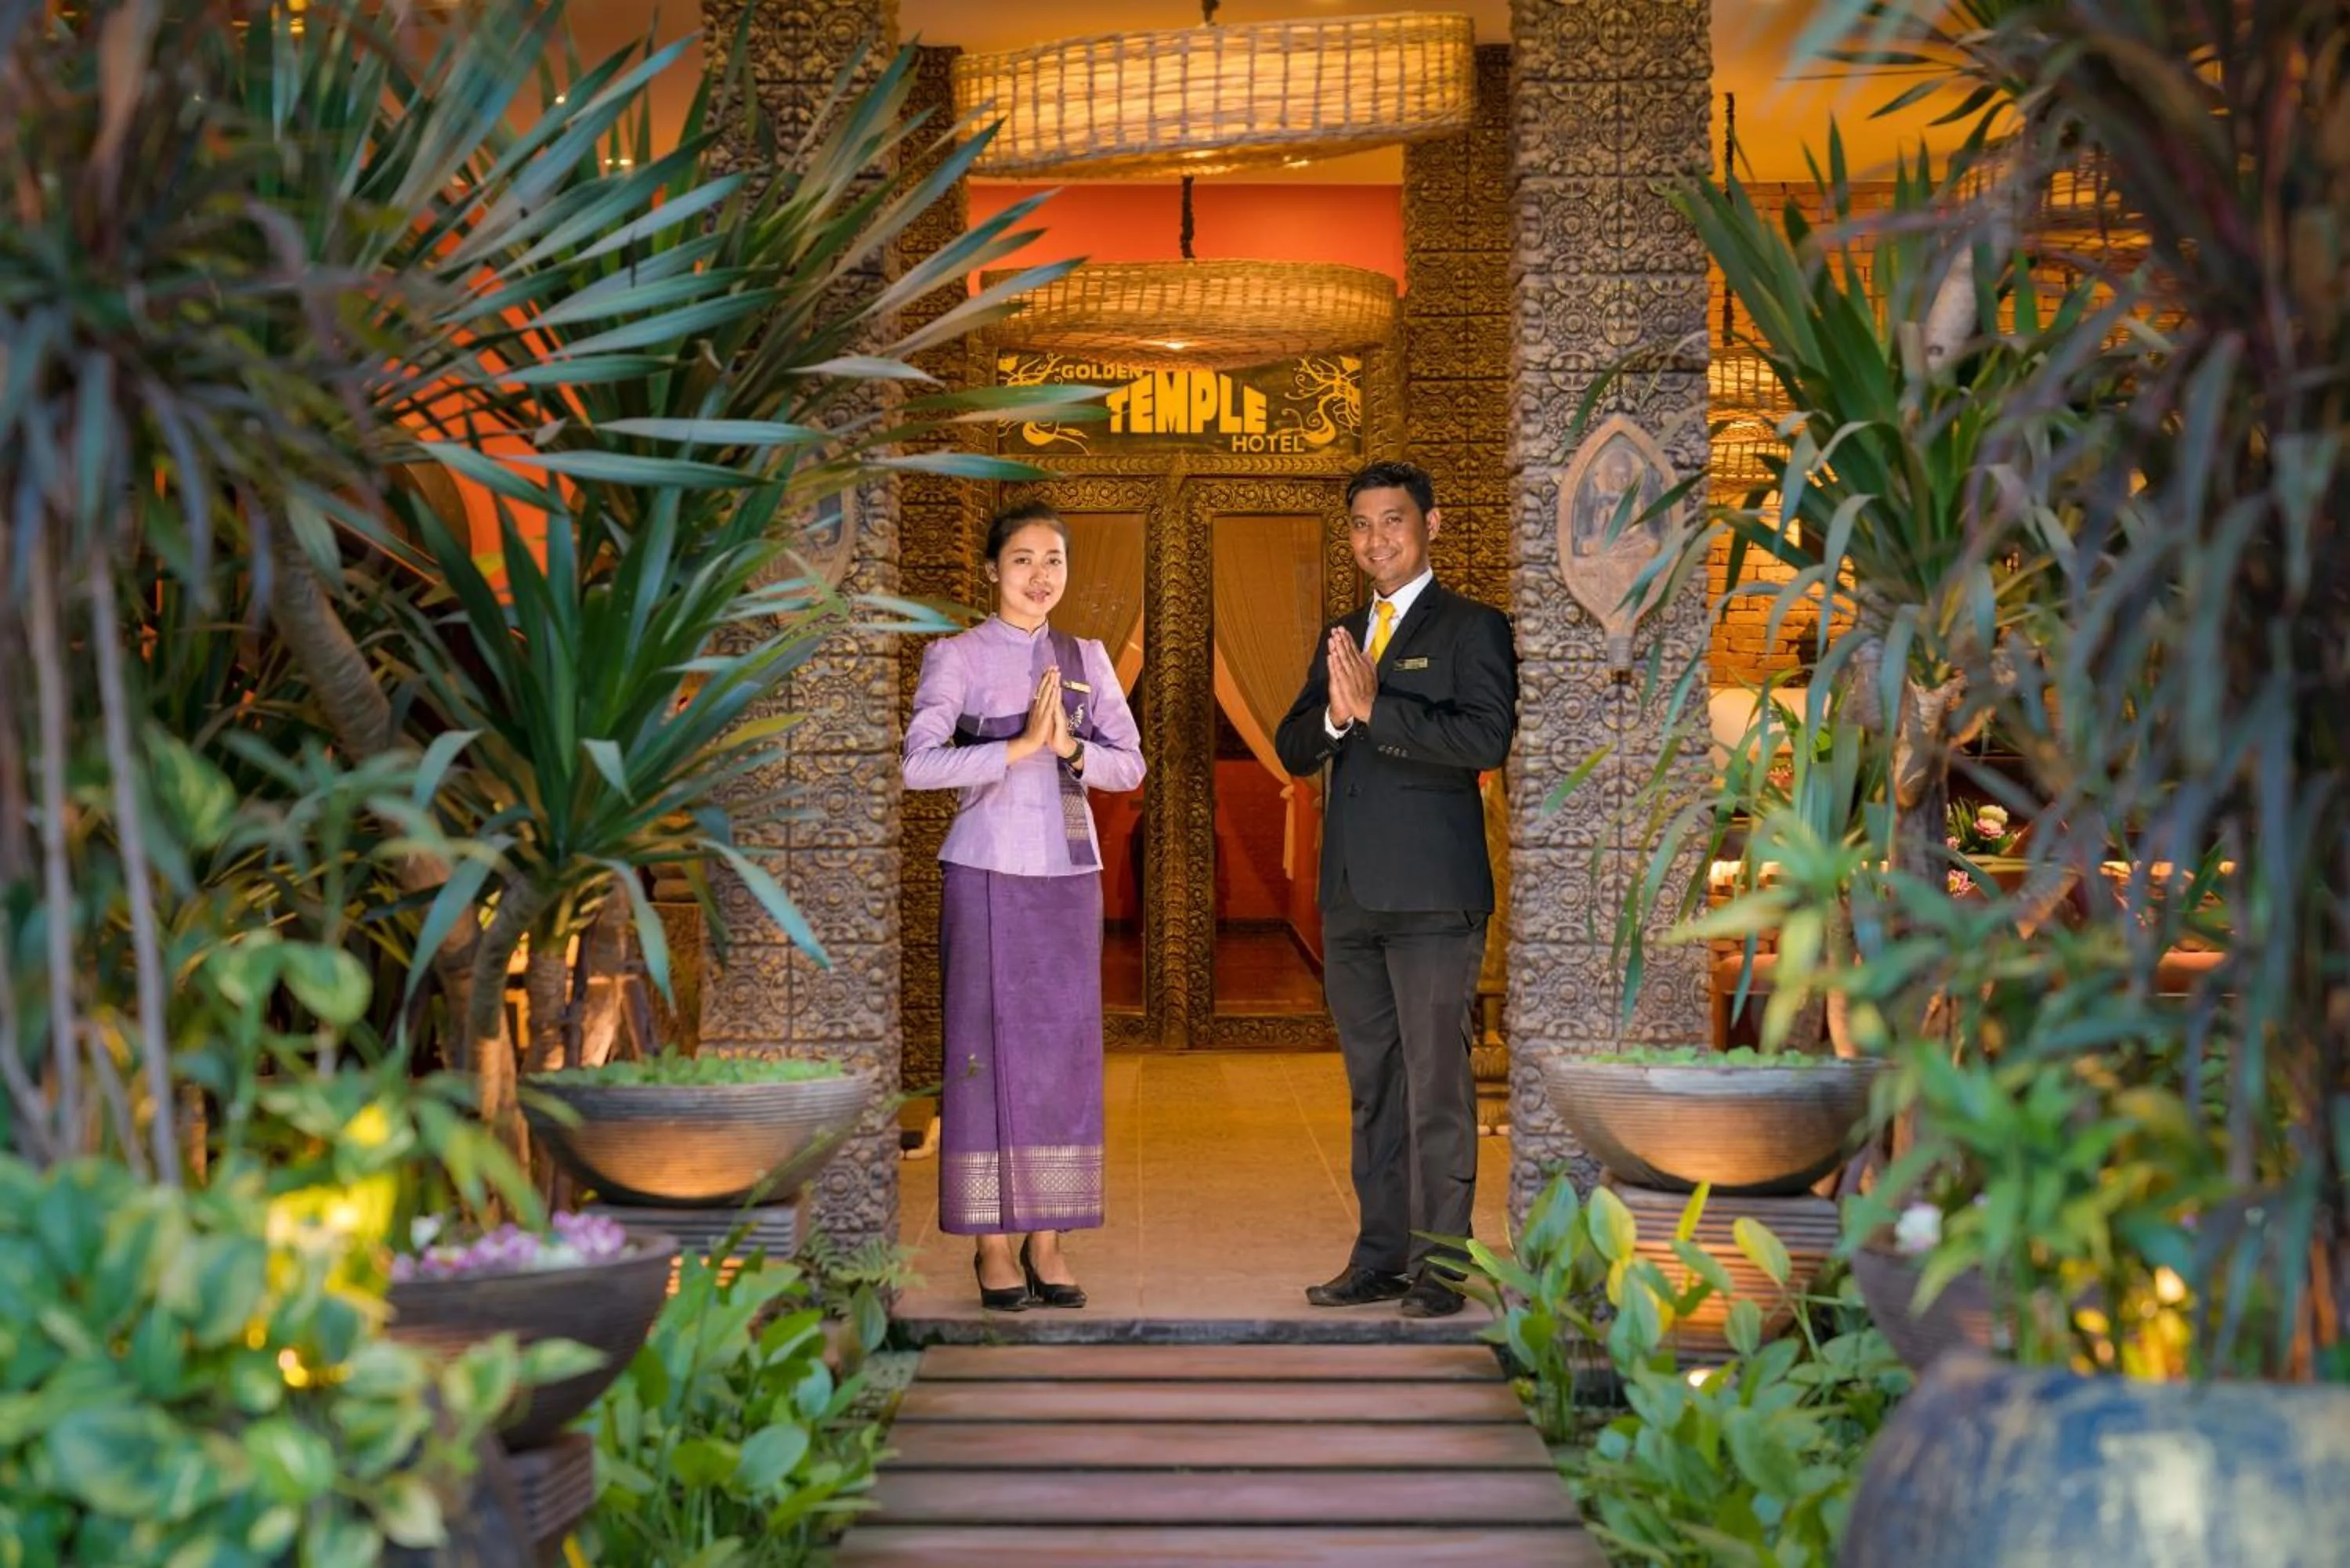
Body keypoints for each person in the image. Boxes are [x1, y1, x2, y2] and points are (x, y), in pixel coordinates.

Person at [1274, 460, 1519, 1318]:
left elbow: (1486, 735)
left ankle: (1442, 1267)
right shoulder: (1342, 632)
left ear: (1431, 526)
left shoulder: (1471, 627)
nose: (1376, 539)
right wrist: (1339, 715)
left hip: (1432, 900)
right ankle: (1379, 1256)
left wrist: (1379, 709)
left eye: (1394, 521)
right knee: (1374, 1084)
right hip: (1352, 899)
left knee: (1437, 1086)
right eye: (1362, 525)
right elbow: (1294, 742)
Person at [902, 500, 1145, 1312]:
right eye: (1022, 561)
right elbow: (919, 764)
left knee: (1064, 1057)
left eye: (1054, 561)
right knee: (981, 1051)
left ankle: (1051, 1237)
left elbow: (1130, 765)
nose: (1040, 577)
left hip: (1069, 878)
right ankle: (993, 1245)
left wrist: (1073, 748)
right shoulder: (958, 656)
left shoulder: (1087, 658)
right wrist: (1018, 748)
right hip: (985, 873)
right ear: (991, 570)